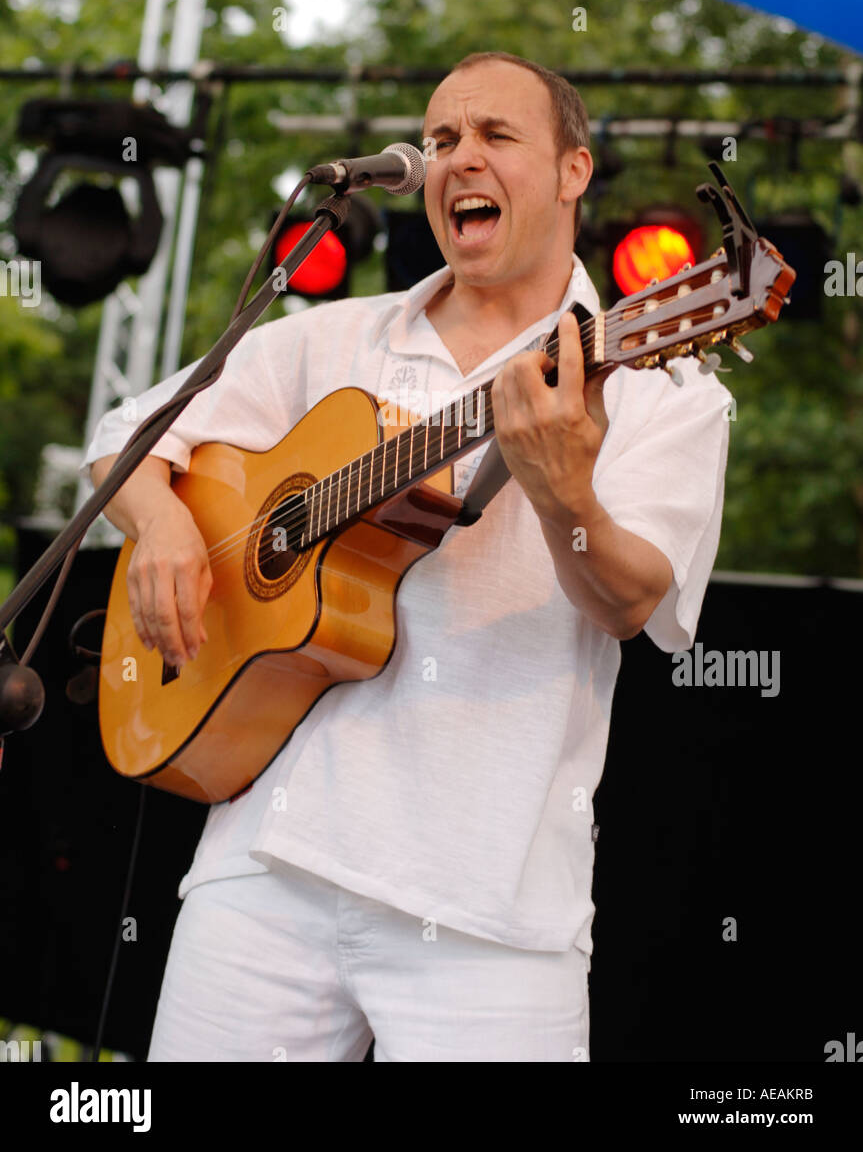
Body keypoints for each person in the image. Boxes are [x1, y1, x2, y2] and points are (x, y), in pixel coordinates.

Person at [84, 51, 732, 1062]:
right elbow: (123, 438)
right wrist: (164, 524)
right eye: (438, 141)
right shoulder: (324, 337)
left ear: (572, 170)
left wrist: (562, 492)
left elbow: (635, 602)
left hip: (487, 907)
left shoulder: (663, 383)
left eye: (493, 137)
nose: (455, 159)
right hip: (264, 866)